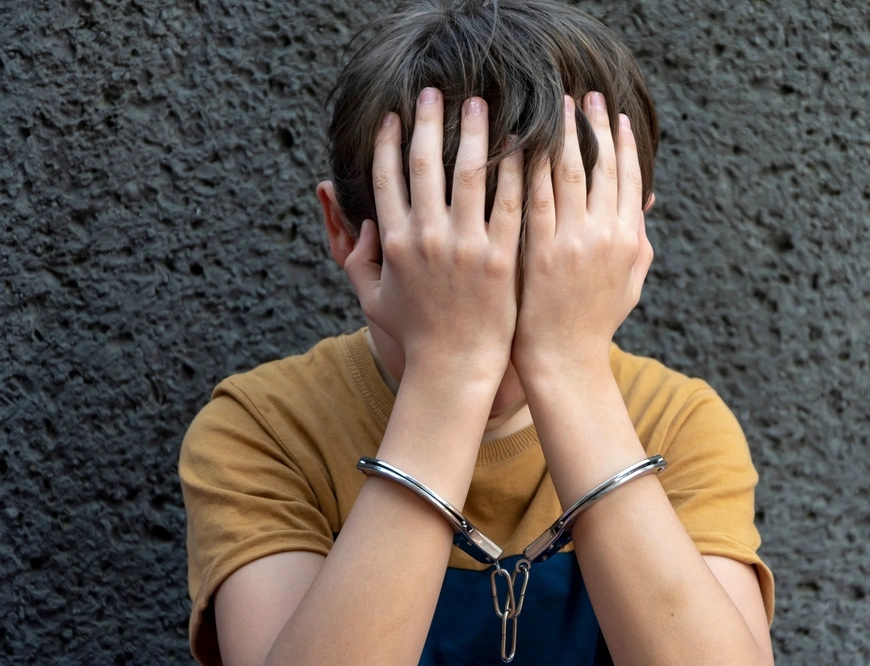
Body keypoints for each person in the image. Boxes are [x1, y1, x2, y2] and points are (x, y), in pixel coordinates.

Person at [179, 1, 775, 664]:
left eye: (544, 267)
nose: (501, 312)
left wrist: (570, 370)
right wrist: (450, 371)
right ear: (344, 231)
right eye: (455, 267)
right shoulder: (266, 428)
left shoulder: (675, 425)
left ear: (625, 243)